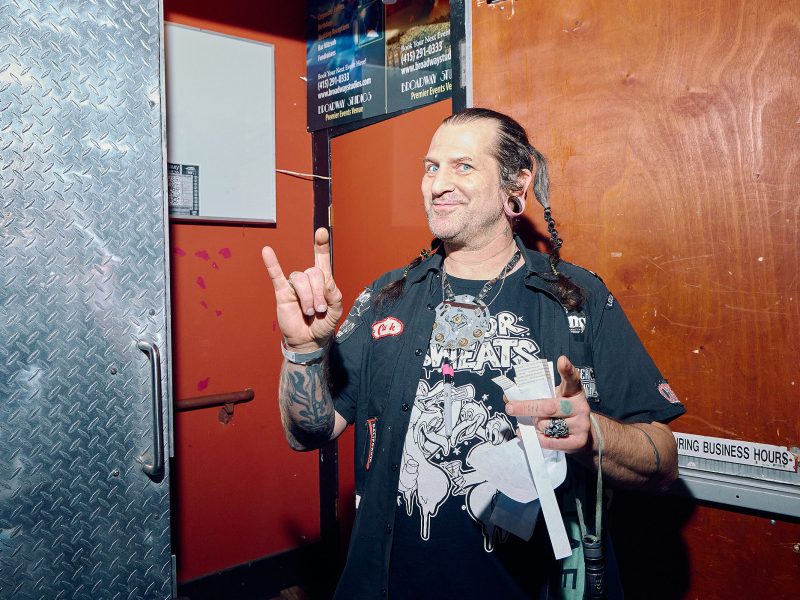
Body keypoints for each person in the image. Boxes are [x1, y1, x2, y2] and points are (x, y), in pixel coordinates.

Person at [262, 108, 685, 599]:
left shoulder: (578, 298)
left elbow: (663, 459)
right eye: (431, 167)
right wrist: (303, 351)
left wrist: (592, 435)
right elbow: (308, 432)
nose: (438, 184)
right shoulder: (387, 298)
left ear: (515, 184)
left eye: (463, 166)